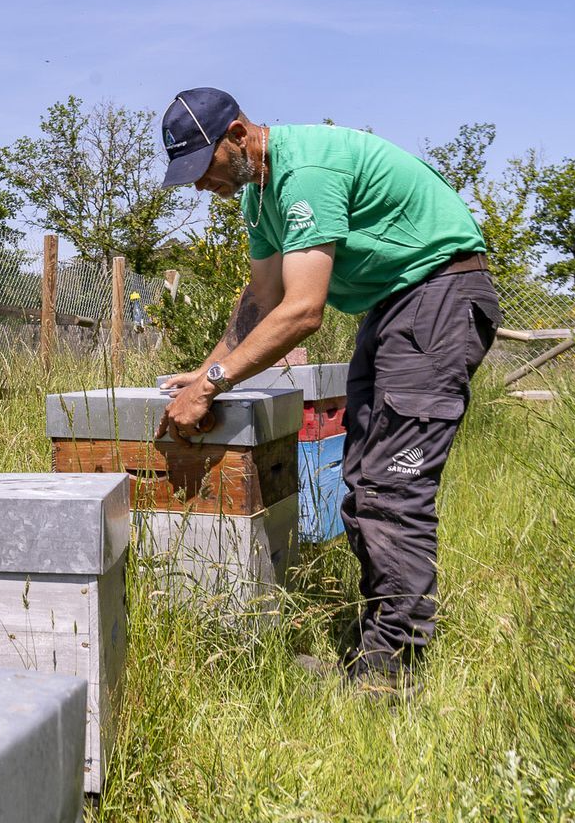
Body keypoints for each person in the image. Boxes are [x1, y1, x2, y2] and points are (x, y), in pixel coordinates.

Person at [153, 86, 501, 700]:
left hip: (436, 297)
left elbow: (303, 310)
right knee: (364, 479)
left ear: (237, 134)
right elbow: (258, 299)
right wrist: (203, 370)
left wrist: (214, 385)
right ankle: (378, 653)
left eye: (201, 169)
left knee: (393, 487)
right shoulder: (259, 198)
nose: (201, 187)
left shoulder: (306, 173)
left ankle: (391, 677)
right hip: (394, 307)